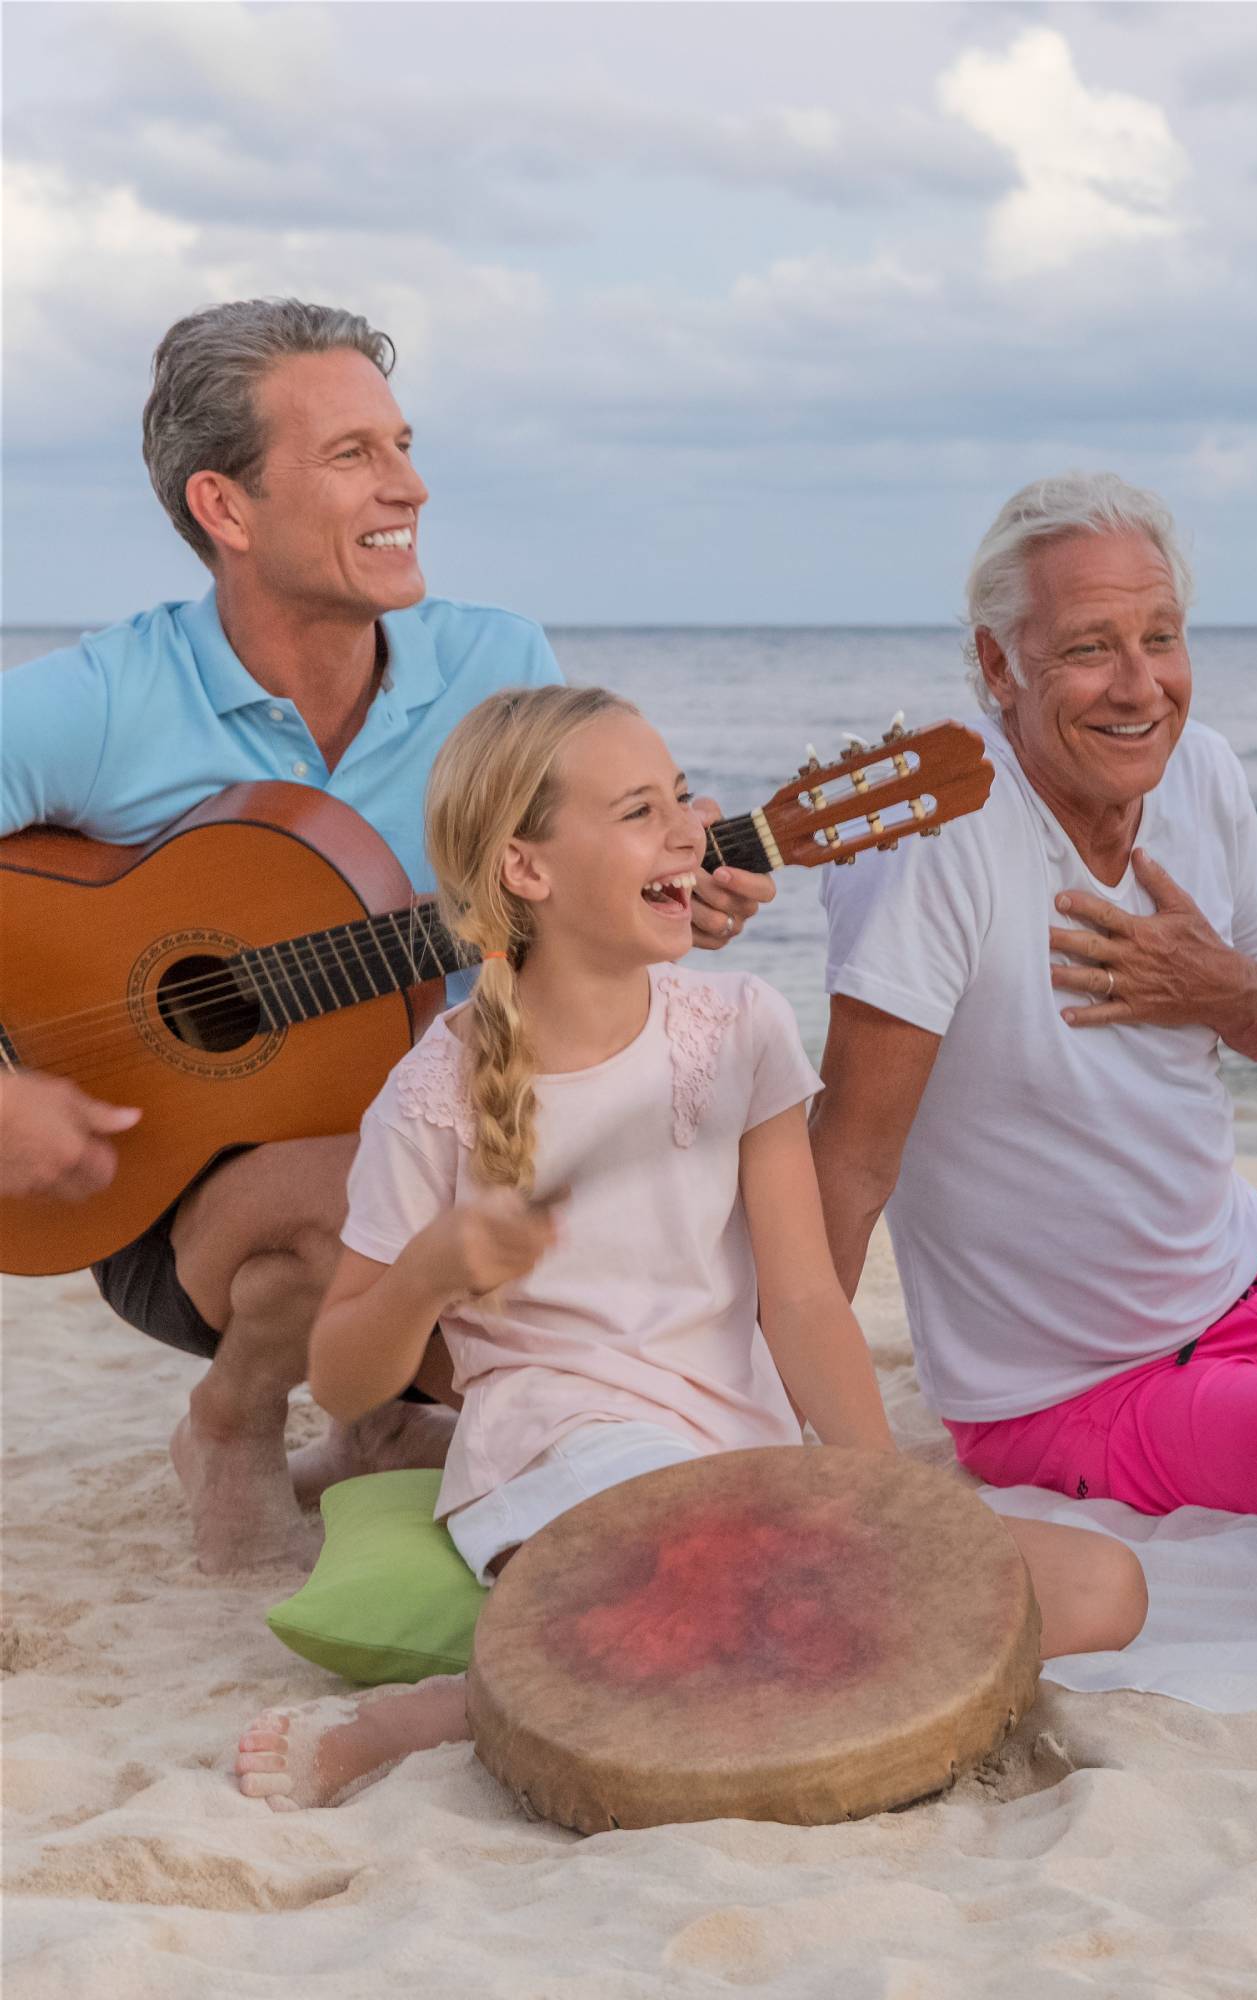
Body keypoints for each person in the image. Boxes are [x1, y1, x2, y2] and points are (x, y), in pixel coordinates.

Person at [232, 686, 1144, 1811]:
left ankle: (646, 1665)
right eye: (638, 812)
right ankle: (432, 1713)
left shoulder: (739, 1025)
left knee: (1103, 1585)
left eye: (679, 795)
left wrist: (889, 1499)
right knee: (738, 1599)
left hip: (742, 1458)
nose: (690, 832)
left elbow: (803, 1303)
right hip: (564, 1461)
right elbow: (342, 1376)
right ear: (527, 868)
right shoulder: (433, 1098)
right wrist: (426, 1271)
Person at [0, 299, 773, 1572]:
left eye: (402, 445)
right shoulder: (99, 700)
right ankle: (231, 1422)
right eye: (352, 454)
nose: (407, 485)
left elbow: (593, 874)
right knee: (353, 1194)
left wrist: (669, 895)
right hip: (158, 1180)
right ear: (226, 508)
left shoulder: (498, 660)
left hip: (440, 1140)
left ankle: (376, 1426)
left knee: (637, 1328)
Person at [810, 473, 1257, 1518]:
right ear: (997, 664)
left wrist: (1217, 984)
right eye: (1087, 646)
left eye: (1161, 637)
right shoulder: (936, 835)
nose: (1138, 686)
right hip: (1076, 1385)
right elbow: (849, 1160)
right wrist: (757, 1430)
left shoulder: (1203, 769)